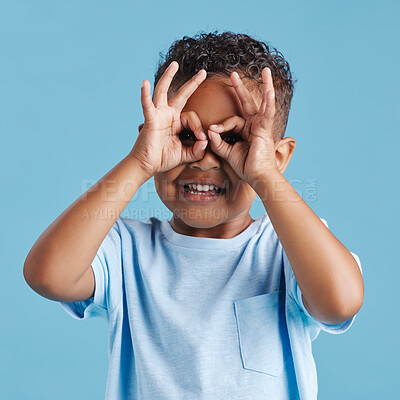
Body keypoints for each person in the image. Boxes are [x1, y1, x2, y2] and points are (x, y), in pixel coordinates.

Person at [23, 31, 364, 399]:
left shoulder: (288, 249)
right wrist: (139, 163)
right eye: (186, 135)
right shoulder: (125, 251)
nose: (204, 157)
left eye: (233, 140)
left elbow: (338, 303)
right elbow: (48, 276)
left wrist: (264, 175)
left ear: (277, 157)